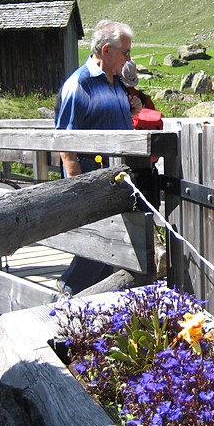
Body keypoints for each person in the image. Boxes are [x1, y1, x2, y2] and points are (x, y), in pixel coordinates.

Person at [54, 19, 134, 294]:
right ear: (106, 50)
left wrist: (132, 108)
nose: (128, 58)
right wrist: (77, 184)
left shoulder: (116, 81)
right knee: (101, 237)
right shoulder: (79, 84)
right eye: (125, 52)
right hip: (91, 170)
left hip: (117, 172)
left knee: (112, 238)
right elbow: (65, 138)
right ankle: (70, 287)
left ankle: (93, 295)